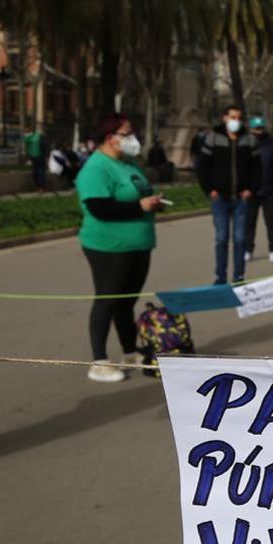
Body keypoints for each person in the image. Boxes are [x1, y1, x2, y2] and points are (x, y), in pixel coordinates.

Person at [76, 113, 165, 382]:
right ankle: (99, 361)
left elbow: (137, 192)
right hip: (108, 246)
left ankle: (130, 351)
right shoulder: (96, 168)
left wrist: (151, 203)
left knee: (126, 302)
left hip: (138, 245)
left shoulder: (128, 163)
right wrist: (140, 206)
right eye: (126, 134)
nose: (132, 138)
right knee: (107, 299)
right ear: (110, 138)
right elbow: (99, 207)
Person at [196, 105, 259, 284]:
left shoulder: (249, 139)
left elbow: (257, 167)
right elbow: (202, 166)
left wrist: (251, 189)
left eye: (239, 118)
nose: (236, 121)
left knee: (240, 239)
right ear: (225, 118)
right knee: (221, 238)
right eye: (232, 117)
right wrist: (209, 190)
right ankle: (220, 276)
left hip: (241, 197)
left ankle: (239, 275)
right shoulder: (213, 138)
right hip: (220, 197)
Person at [245, 116, 273, 263]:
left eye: (261, 128)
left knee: (271, 222)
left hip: (269, 190)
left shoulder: (272, 145)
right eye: (256, 129)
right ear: (251, 129)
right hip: (251, 190)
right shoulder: (246, 144)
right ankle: (248, 250)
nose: (259, 131)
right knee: (250, 222)